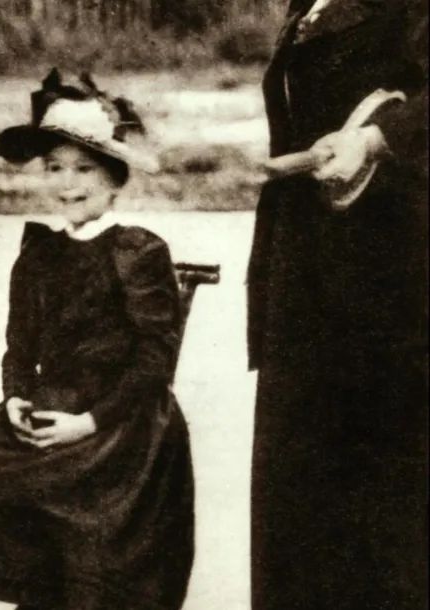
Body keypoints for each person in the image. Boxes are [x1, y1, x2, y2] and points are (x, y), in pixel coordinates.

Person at [0, 70, 195, 610]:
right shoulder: (40, 252)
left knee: (83, 512)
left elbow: (154, 360)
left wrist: (89, 422)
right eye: (54, 168)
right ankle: (38, 592)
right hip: (52, 404)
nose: (68, 183)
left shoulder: (137, 252)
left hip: (122, 421)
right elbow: (19, 347)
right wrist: (16, 398)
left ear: (114, 179)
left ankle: (74, 594)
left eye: (84, 168)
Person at [248, 1, 428, 608]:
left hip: (394, 282)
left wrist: (377, 138)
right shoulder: (307, 5)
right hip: (304, 276)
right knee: (300, 505)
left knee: (386, 507)